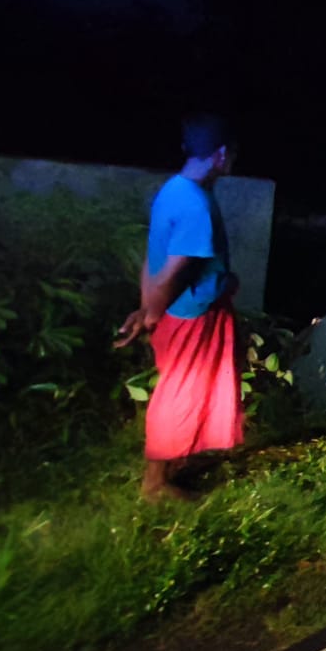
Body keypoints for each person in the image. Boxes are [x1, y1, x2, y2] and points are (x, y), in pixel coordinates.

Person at [114, 114, 243, 502]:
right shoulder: (196, 205)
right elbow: (174, 269)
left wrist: (144, 307)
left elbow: (151, 260)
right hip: (191, 315)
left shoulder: (174, 190)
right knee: (181, 391)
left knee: (188, 387)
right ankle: (155, 483)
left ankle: (174, 463)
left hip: (181, 310)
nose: (234, 162)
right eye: (233, 155)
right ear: (220, 154)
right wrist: (152, 312)